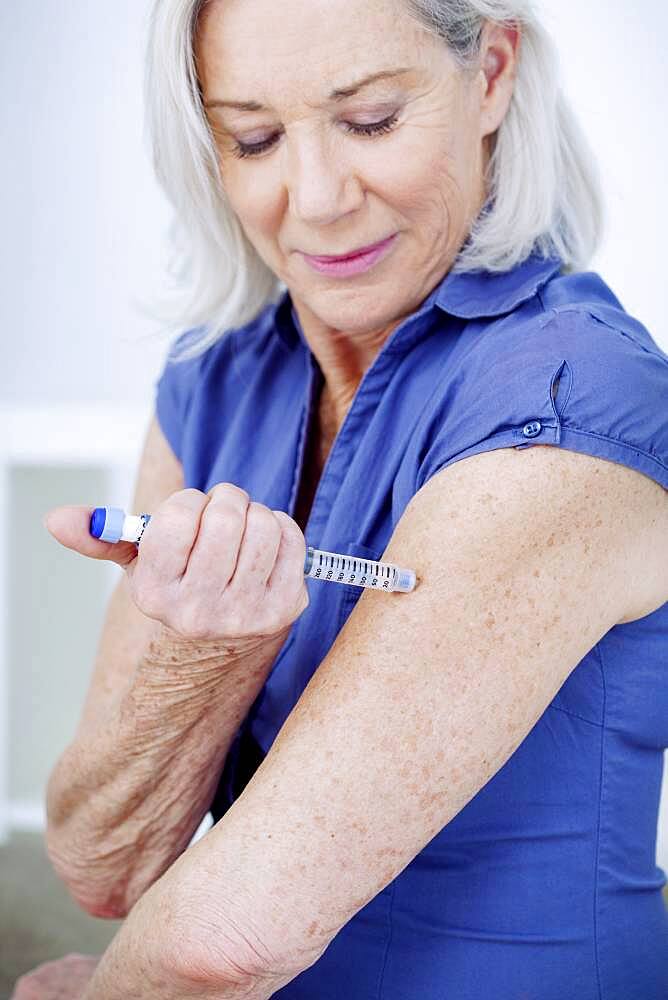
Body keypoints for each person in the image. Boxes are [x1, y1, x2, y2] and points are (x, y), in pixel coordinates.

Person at [14, 0, 667, 998]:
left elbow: (221, 943)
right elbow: (102, 861)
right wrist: (207, 652)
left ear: (489, 74)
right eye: (254, 137)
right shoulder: (215, 380)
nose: (313, 198)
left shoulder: (567, 402)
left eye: (367, 120)